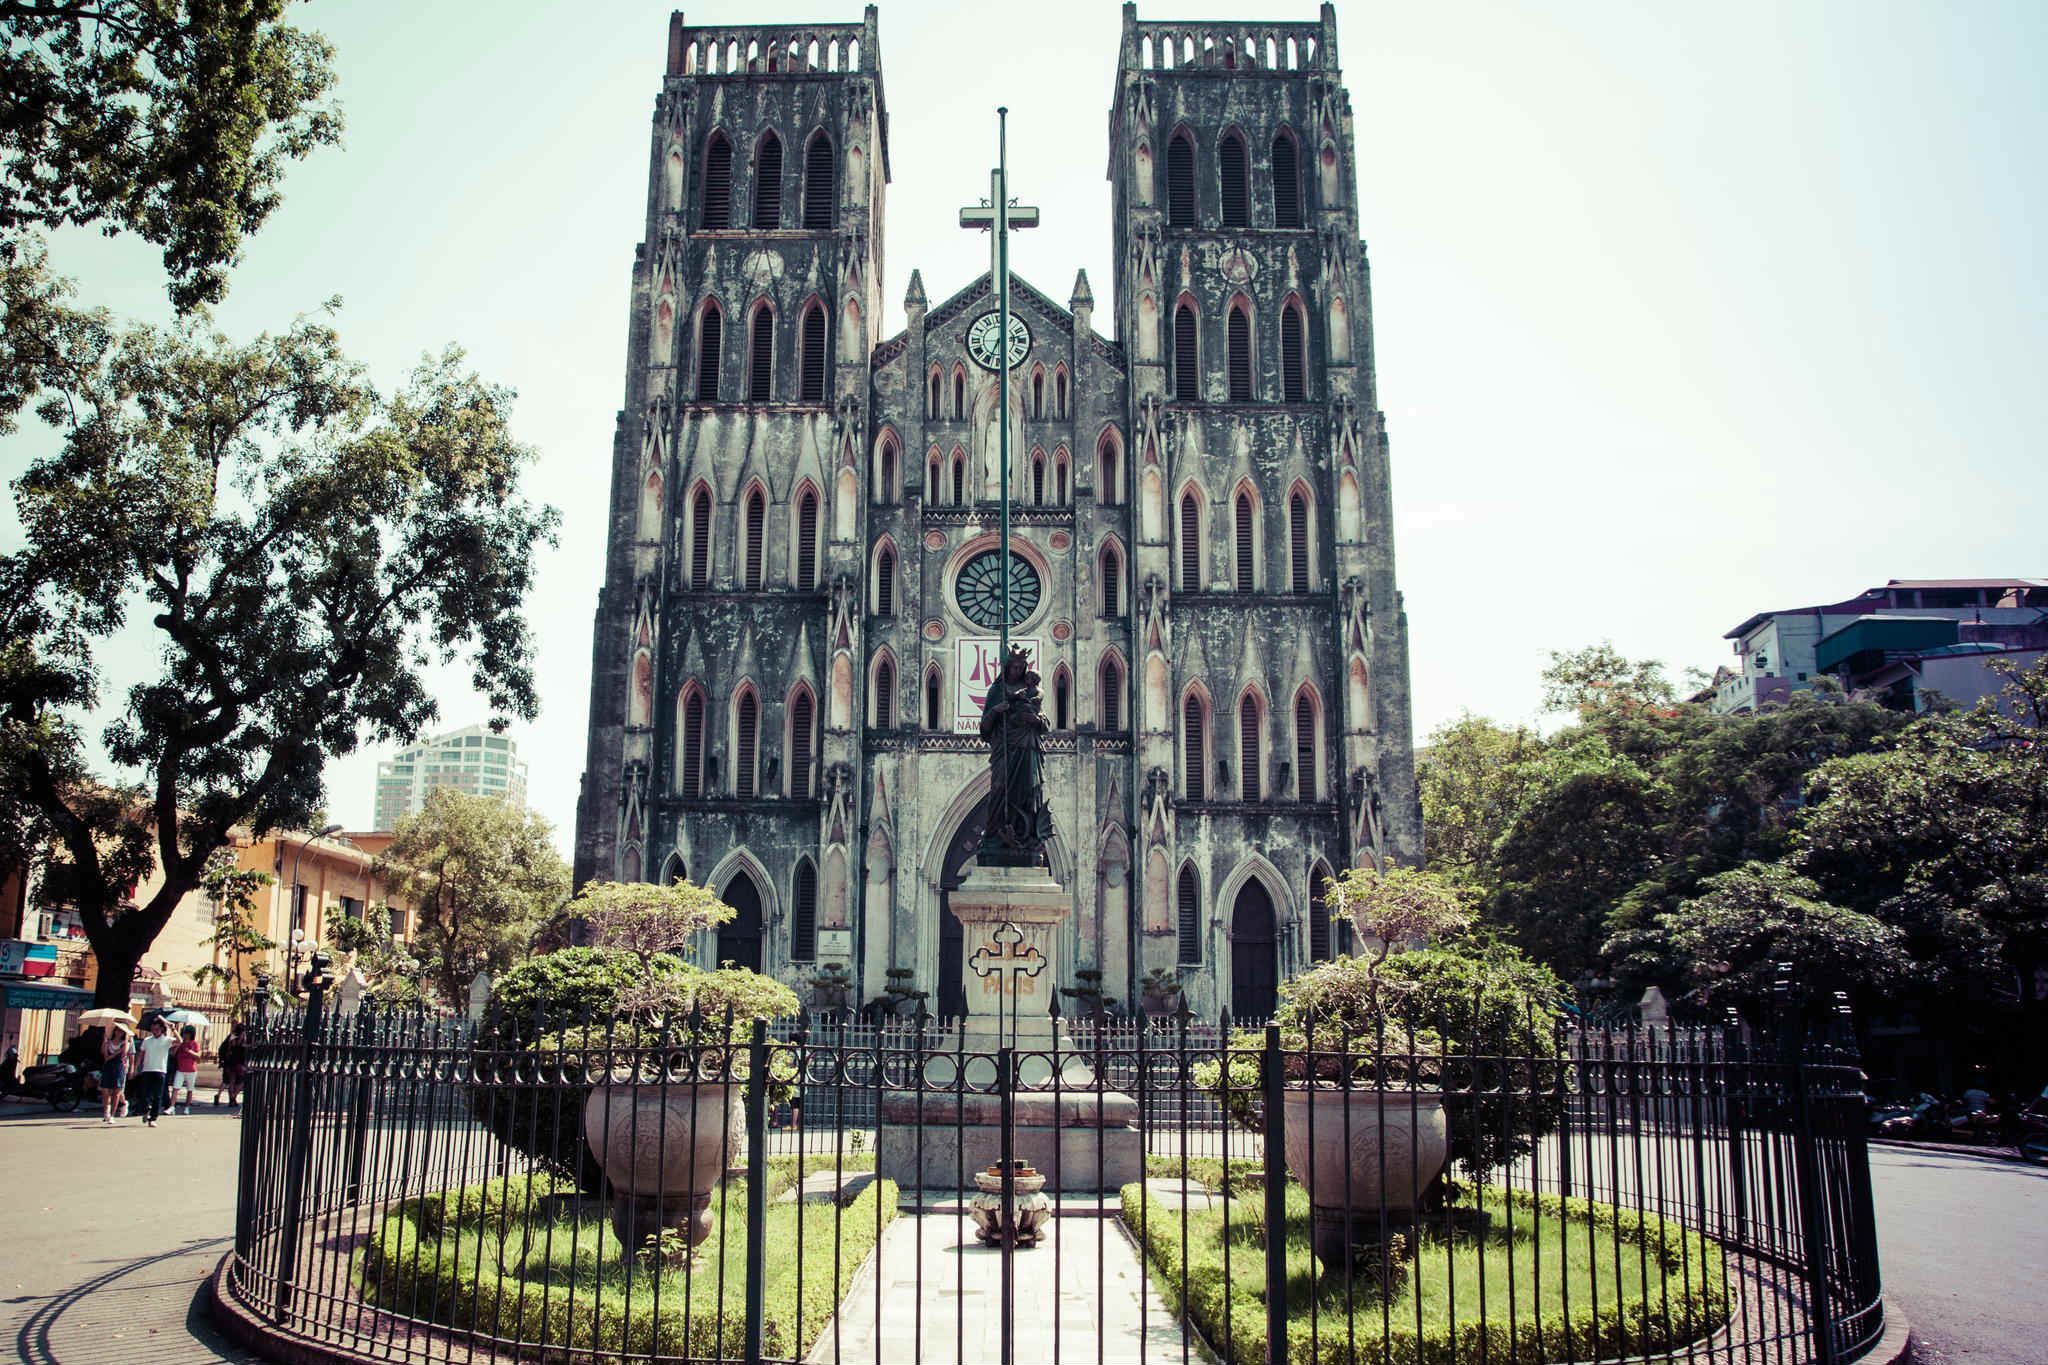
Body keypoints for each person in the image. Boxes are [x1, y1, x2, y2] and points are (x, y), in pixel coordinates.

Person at [132, 1017, 175, 1126]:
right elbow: (140, 1054)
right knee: (144, 1094)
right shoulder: (147, 1040)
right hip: (147, 1070)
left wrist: (172, 1028)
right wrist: (136, 1067)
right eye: (153, 1029)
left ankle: (153, 1118)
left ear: (161, 1029)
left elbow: (180, 1041)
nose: (154, 1031)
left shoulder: (166, 1040)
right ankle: (146, 1111)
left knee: (157, 1096)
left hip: (160, 1070)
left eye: (157, 1029)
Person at [98, 1024, 132, 1126]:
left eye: (122, 1031)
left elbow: (124, 1053)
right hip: (108, 1067)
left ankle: (112, 1115)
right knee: (105, 1090)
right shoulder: (109, 1042)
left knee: (116, 1092)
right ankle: (106, 1112)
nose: (119, 1033)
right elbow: (104, 1054)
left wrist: (126, 1040)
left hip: (118, 1066)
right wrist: (105, 1040)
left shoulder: (125, 1043)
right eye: (118, 1031)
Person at [169, 1025, 201, 1115]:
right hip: (180, 1069)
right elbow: (173, 1054)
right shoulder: (181, 1043)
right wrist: (178, 1046)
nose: (185, 1035)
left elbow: (198, 1056)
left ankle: (187, 1107)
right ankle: (172, 1106)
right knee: (175, 1088)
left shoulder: (194, 1043)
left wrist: (189, 1051)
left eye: (187, 1033)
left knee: (190, 1089)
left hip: (191, 1070)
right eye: (184, 1033)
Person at [216, 1022, 248, 1107]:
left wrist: (222, 1060)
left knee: (231, 1082)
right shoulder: (244, 1038)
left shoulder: (231, 1037)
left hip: (229, 1062)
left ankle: (232, 1099)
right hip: (239, 1063)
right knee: (241, 1081)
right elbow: (246, 1050)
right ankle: (233, 1097)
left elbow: (222, 1049)